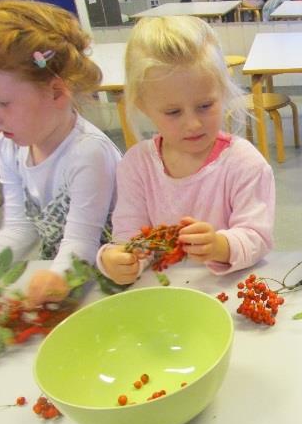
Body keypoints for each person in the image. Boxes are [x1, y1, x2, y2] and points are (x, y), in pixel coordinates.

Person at [0, 0, 121, 306]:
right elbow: (19, 229)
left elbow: (81, 243)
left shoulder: (88, 153)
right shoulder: (8, 146)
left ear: (56, 92)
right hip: (62, 277)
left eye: (3, 103)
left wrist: (56, 278)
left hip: (107, 278)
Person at [98, 15, 275, 285]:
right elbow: (129, 238)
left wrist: (220, 245)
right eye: (173, 112)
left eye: (205, 106)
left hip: (226, 291)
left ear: (223, 91)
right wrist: (117, 259)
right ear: (144, 106)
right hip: (161, 295)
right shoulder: (137, 165)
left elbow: (257, 237)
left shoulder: (244, 163)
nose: (192, 124)